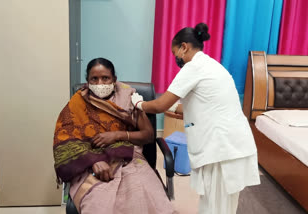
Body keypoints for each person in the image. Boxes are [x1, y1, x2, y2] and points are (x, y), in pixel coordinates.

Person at [131, 23, 260, 214]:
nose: (176, 58)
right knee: (223, 205)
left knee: (216, 207)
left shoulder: (193, 68)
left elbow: (160, 105)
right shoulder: (212, 65)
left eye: (175, 52)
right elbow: (199, 106)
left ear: (184, 47)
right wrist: (172, 107)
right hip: (233, 143)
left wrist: (138, 103)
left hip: (222, 148)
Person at [53, 58, 175, 214]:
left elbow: (148, 135)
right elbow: (65, 140)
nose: (100, 84)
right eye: (94, 79)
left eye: (105, 78)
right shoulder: (78, 102)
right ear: (87, 81)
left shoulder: (129, 98)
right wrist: (93, 161)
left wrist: (117, 135)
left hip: (129, 158)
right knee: (99, 202)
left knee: (143, 195)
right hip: (91, 161)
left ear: (114, 79)